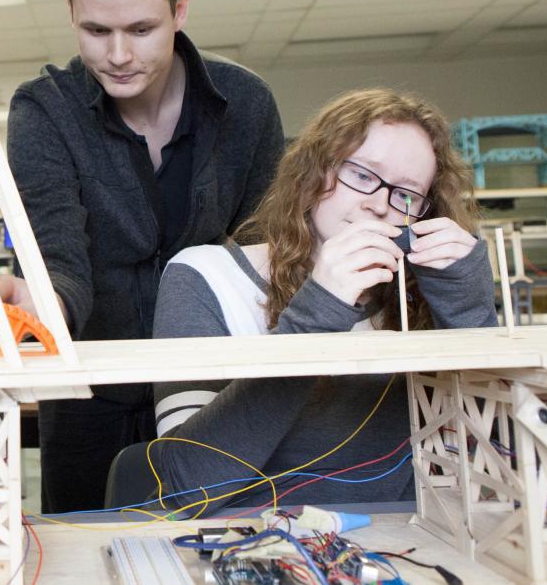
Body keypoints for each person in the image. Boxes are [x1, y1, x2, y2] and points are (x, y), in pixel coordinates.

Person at [7, 0, 286, 512]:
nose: (119, 55)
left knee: (219, 547)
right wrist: (42, 310)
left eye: (141, 28)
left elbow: (263, 255)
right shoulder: (43, 112)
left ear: (180, 8)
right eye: (96, 30)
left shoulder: (248, 107)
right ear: (70, 13)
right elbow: (57, 252)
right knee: (83, 554)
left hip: (217, 393)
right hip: (86, 399)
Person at [108, 88, 496, 511]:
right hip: (246, 542)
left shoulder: (416, 296)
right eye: (363, 175)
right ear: (314, 172)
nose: (380, 205)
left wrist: (469, 310)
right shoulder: (206, 277)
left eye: (406, 195)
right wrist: (316, 316)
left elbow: (494, 467)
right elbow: (189, 487)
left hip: (401, 544)